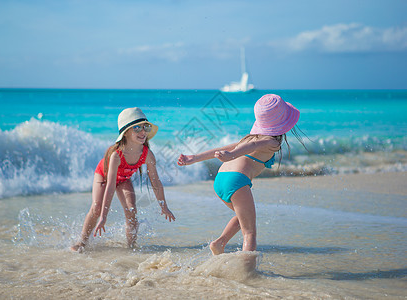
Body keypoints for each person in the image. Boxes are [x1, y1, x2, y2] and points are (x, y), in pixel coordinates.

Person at [178, 94, 304, 255]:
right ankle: (248, 272)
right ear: (283, 122)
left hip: (221, 179)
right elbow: (254, 145)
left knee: (243, 217)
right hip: (236, 181)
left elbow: (228, 147)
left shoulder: (249, 137)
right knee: (250, 232)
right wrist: (231, 155)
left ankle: (219, 243)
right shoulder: (272, 142)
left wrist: (194, 158)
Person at [71, 107, 175, 252]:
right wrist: (103, 217)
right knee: (96, 208)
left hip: (124, 178)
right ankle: (81, 242)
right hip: (103, 176)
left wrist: (163, 206)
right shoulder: (116, 155)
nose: (143, 131)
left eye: (145, 127)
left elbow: (155, 182)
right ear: (126, 132)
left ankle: (131, 247)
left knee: (132, 210)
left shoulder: (147, 155)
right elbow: (110, 186)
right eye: (137, 128)